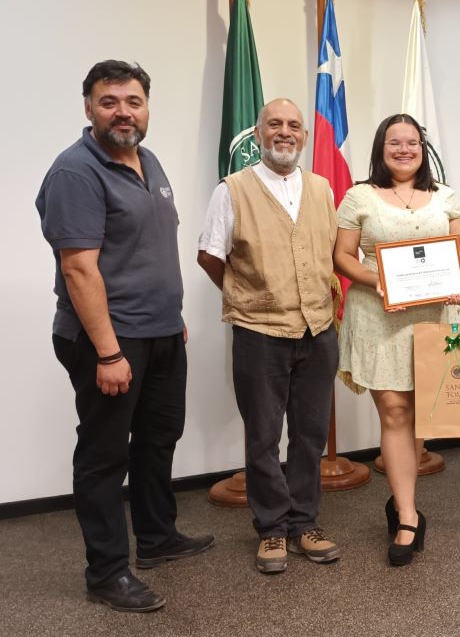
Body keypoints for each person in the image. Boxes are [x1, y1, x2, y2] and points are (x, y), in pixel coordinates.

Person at [36, 60, 214, 613]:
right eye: (109, 101)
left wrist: (170, 313)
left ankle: (158, 539)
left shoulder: (147, 159)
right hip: (108, 341)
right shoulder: (75, 172)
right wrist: (109, 352)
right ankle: (107, 572)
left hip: (160, 330)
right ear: (88, 106)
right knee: (105, 455)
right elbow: (79, 270)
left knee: (160, 437)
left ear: (146, 107)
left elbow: (149, 247)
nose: (123, 112)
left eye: (133, 101)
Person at [197, 98, 341, 574]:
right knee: (263, 435)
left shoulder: (322, 189)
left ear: (304, 136)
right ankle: (272, 529)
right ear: (258, 134)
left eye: (294, 126)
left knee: (309, 434)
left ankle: (304, 523)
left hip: (318, 329)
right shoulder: (232, 189)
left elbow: (330, 253)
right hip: (259, 332)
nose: (285, 132)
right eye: (274, 124)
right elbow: (210, 256)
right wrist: (248, 294)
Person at [334, 113, 460, 566]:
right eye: (395, 142)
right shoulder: (359, 196)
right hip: (379, 316)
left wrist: (458, 276)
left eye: (412, 142)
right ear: (381, 147)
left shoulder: (444, 196)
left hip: (432, 316)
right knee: (394, 411)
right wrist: (381, 281)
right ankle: (409, 516)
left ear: (422, 148)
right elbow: (342, 256)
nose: (404, 149)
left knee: (419, 417)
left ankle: (400, 500)